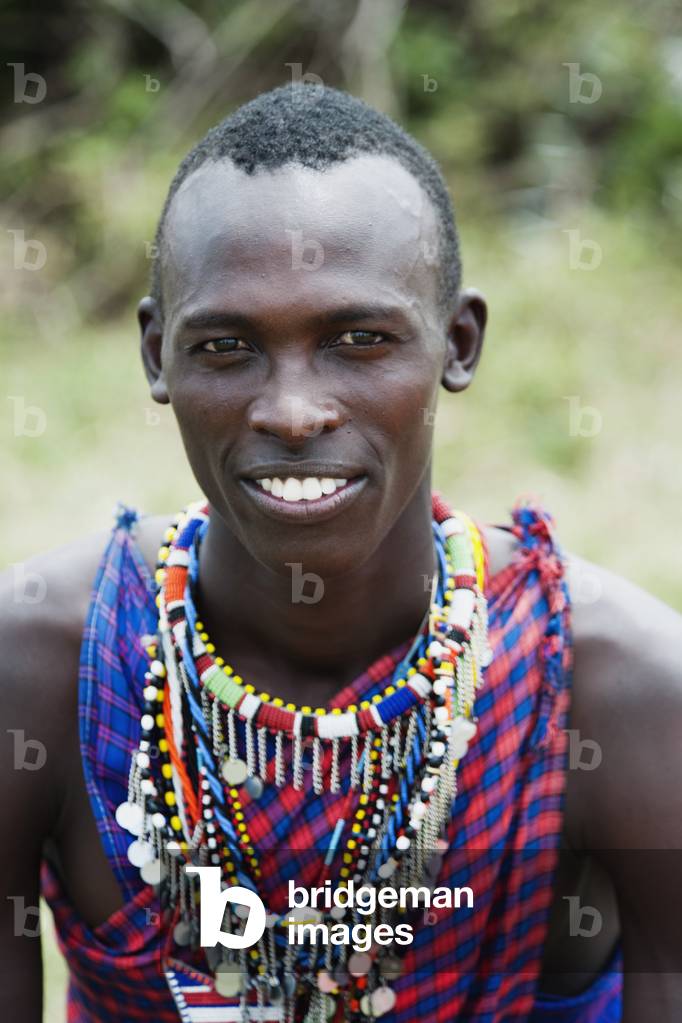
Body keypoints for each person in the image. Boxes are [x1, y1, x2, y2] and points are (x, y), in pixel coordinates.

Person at [1, 84, 681, 1023]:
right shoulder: (44, 665)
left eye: (359, 340)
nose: (292, 410)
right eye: (228, 345)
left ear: (458, 341)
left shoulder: (622, 690)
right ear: (158, 356)